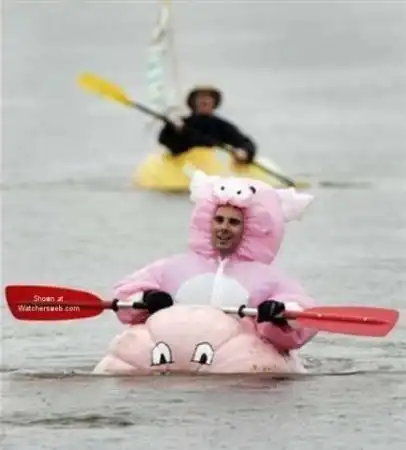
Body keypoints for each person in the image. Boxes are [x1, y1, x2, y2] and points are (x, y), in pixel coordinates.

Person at [112, 170, 318, 355]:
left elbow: (304, 313)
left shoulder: (269, 279)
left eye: (234, 222)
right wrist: (146, 298)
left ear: (251, 228)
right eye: (219, 220)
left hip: (240, 363)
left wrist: (280, 312)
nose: (224, 228)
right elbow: (124, 294)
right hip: (174, 357)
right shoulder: (173, 268)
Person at [158, 86, 257, 164]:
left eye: (208, 98)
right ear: (194, 102)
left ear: (214, 103)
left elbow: (246, 143)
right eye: (201, 97)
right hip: (186, 168)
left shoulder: (222, 125)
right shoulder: (182, 123)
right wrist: (170, 127)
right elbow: (164, 140)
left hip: (212, 169)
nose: (204, 101)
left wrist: (245, 152)